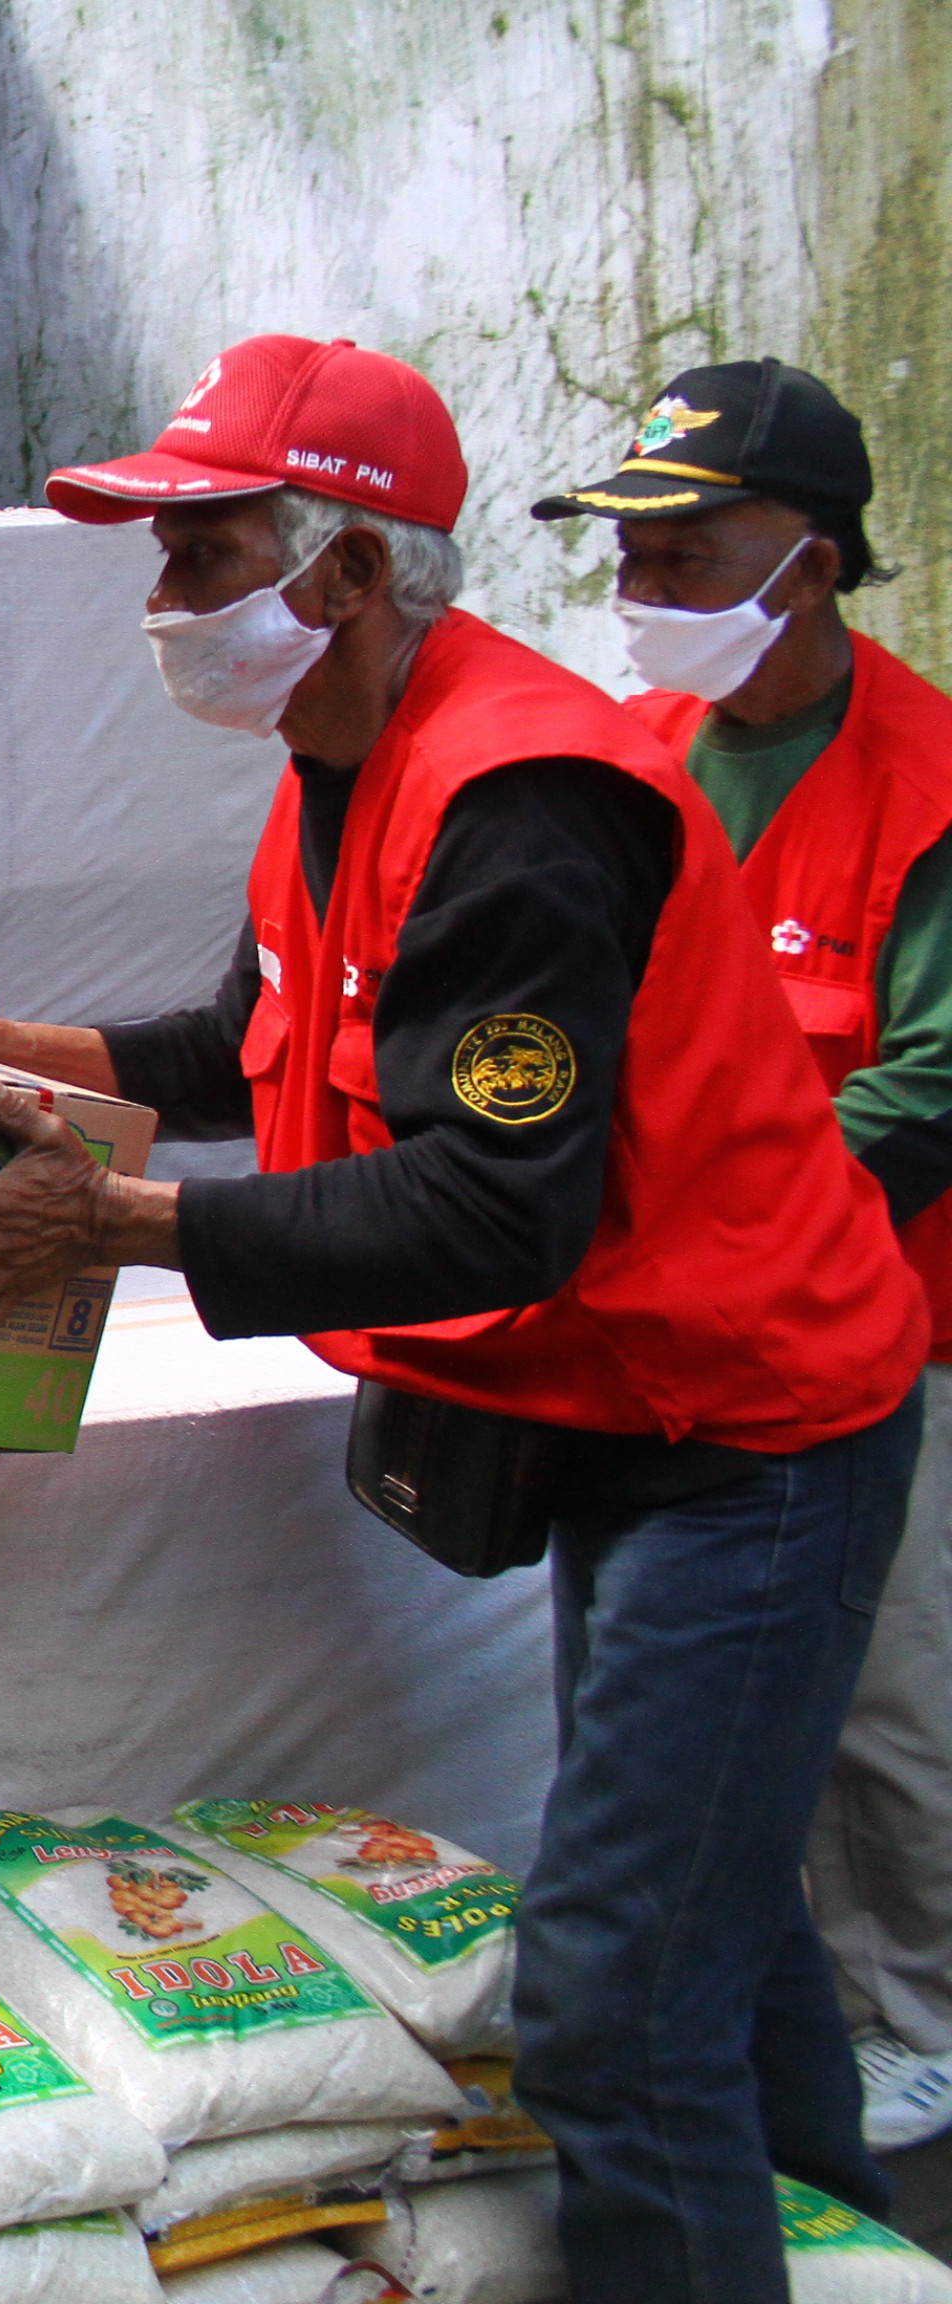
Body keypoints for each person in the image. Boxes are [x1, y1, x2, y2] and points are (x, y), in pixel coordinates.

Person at [0, 333, 928, 2302]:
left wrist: (115, 1225)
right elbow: (249, 1044)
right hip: (623, 1419)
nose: (166, 607)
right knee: (713, 1927)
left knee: (610, 1993)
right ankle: (851, 2263)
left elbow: (495, 1202)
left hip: (750, 1433)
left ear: (345, 576)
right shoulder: (342, 774)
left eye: (204, 555)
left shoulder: (521, 806)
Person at [535, 357, 952, 2156]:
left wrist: (733, 1202)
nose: (647, 597)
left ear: (818, 560)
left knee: (887, 1700)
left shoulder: (929, 778)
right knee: (698, 1717)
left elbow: (930, 1071)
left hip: (886, 1323)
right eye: (630, 556)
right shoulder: (628, 760)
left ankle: (914, 2014)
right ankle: (784, 2021)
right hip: (663, 1331)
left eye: (691, 555)